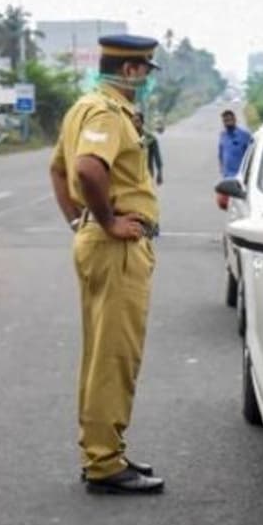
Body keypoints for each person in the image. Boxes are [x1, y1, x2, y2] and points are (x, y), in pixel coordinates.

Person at [48, 34, 165, 495]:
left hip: (99, 241)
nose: (147, 80)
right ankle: (103, 462)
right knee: (114, 355)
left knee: (102, 353)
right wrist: (107, 222)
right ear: (132, 71)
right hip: (115, 248)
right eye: (146, 71)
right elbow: (87, 170)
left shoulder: (83, 107)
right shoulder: (106, 112)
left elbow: (58, 169)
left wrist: (79, 221)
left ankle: (101, 450)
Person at [217, 109, 252, 178]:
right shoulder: (223, 135)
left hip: (241, 176)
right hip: (227, 176)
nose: (227, 123)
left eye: (229, 120)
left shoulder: (244, 135)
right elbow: (221, 153)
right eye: (225, 121)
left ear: (234, 120)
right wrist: (222, 168)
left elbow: (251, 154)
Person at [134, 111, 163, 186]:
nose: (135, 124)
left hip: (147, 175)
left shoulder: (149, 138)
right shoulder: (128, 136)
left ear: (142, 122)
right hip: (132, 175)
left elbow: (157, 157)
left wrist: (159, 172)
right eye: (133, 121)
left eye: (137, 121)